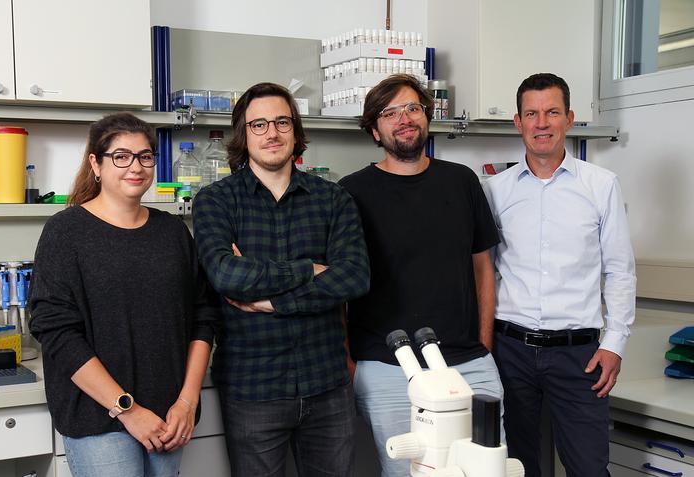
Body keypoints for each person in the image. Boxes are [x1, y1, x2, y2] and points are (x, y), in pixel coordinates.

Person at [192, 82, 370, 477]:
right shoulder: (216, 200)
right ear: (243, 133)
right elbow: (225, 274)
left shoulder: (334, 199)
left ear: (295, 130)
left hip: (327, 383)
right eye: (258, 125)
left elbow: (355, 278)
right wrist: (310, 268)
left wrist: (272, 301)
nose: (271, 133)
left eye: (281, 122)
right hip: (253, 388)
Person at [29, 112, 219, 477]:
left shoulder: (173, 233)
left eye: (145, 156)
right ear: (95, 164)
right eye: (121, 156)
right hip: (99, 418)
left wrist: (187, 402)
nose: (136, 167)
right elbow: (57, 333)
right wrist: (128, 410)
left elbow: (203, 317)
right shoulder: (65, 233)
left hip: (168, 418)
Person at [338, 74, 504, 477]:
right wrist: (351, 365)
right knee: (409, 473)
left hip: (469, 363)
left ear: (427, 116)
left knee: (484, 470)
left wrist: (483, 344)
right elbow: (338, 288)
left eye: (412, 108)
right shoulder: (350, 192)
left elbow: (484, 268)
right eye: (389, 113)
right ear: (375, 130)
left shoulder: (461, 181)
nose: (404, 119)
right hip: (386, 368)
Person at [483, 73, 636, 477]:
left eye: (552, 112)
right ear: (518, 122)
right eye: (531, 114)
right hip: (509, 350)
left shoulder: (601, 186)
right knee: (515, 467)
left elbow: (619, 269)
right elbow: (484, 272)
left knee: (587, 467)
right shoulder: (495, 190)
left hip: (580, 356)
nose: (541, 123)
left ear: (569, 118)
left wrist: (615, 343)